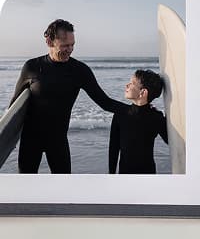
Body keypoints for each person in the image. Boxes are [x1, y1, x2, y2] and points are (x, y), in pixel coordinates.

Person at [9, 19, 121, 174]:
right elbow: (14, 106)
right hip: (30, 141)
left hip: (58, 141)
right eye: (65, 45)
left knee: (64, 188)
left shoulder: (79, 71)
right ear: (49, 41)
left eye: (72, 45)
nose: (70, 49)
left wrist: (135, 108)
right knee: (26, 190)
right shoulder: (32, 67)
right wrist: (7, 138)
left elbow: (104, 102)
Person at [108, 69, 168, 174]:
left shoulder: (157, 118)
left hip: (148, 176)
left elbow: (172, 141)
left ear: (143, 92)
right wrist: (111, 175)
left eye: (132, 83)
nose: (127, 85)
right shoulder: (120, 114)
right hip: (124, 175)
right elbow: (113, 148)